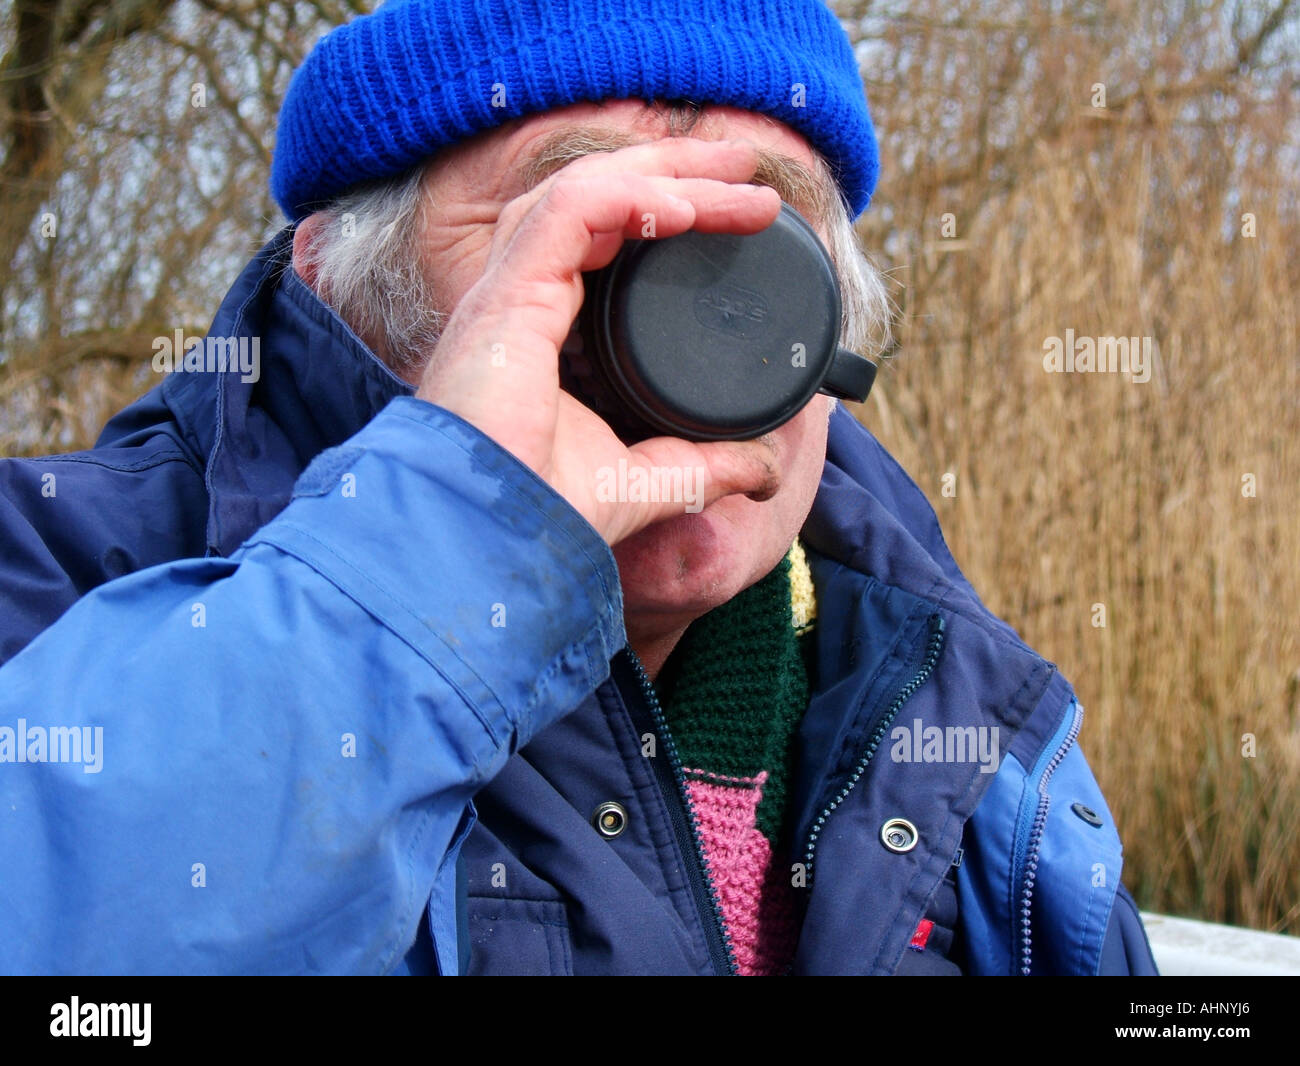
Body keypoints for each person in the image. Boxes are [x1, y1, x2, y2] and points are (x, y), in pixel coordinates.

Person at [0, 0, 1158, 975]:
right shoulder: (52, 571)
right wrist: (452, 541)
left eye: (759, 242)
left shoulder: (960, 705)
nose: (690, 323)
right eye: (579, 225)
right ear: (336, 281)